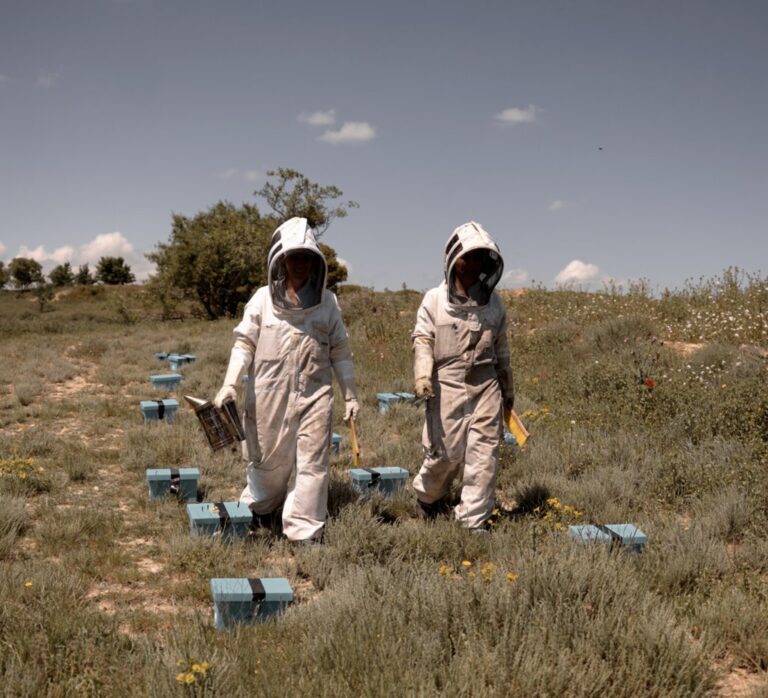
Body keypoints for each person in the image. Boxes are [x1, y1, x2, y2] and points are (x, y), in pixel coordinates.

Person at [214, 217, 359, 544]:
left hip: (315, 395)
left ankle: (304, 532)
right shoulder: (262, 299)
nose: (300, 264)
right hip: (269, 396)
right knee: (269, 465)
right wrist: (230, 383)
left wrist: (350, 395)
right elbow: (244, 343)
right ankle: (262, 509)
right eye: (294, 257)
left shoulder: (328, 302)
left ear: (315, 261)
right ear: (281, 260)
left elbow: (340, 350)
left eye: (306, 257)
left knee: (313, 465)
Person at [411, 221, 513, 532]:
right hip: (447, 383)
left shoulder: (494, 304)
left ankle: (473, 521)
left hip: (485, 384)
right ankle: (427, 497)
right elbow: (423, 340)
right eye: (470, 257)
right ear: (455, 260)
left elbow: (502, 349)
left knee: (484, 455)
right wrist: (422, 376)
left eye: (481, 257)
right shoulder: (434, 299)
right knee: (447, 453)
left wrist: (508, 389)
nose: (475, 263)